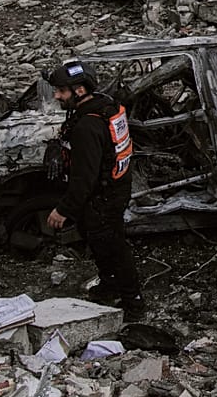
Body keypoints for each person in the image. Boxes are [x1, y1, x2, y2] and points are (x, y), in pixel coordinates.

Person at [42, 61, 144, 317]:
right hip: (115, 186)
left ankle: (133, 302)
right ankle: (110, 284)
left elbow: (83, 178)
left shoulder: (87, 127)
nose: (56, 96)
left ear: (79, 90)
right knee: (98, 239)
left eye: (61, 91)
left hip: (104, 196)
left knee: (113, 246)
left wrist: (63, 210)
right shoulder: (104, 106)